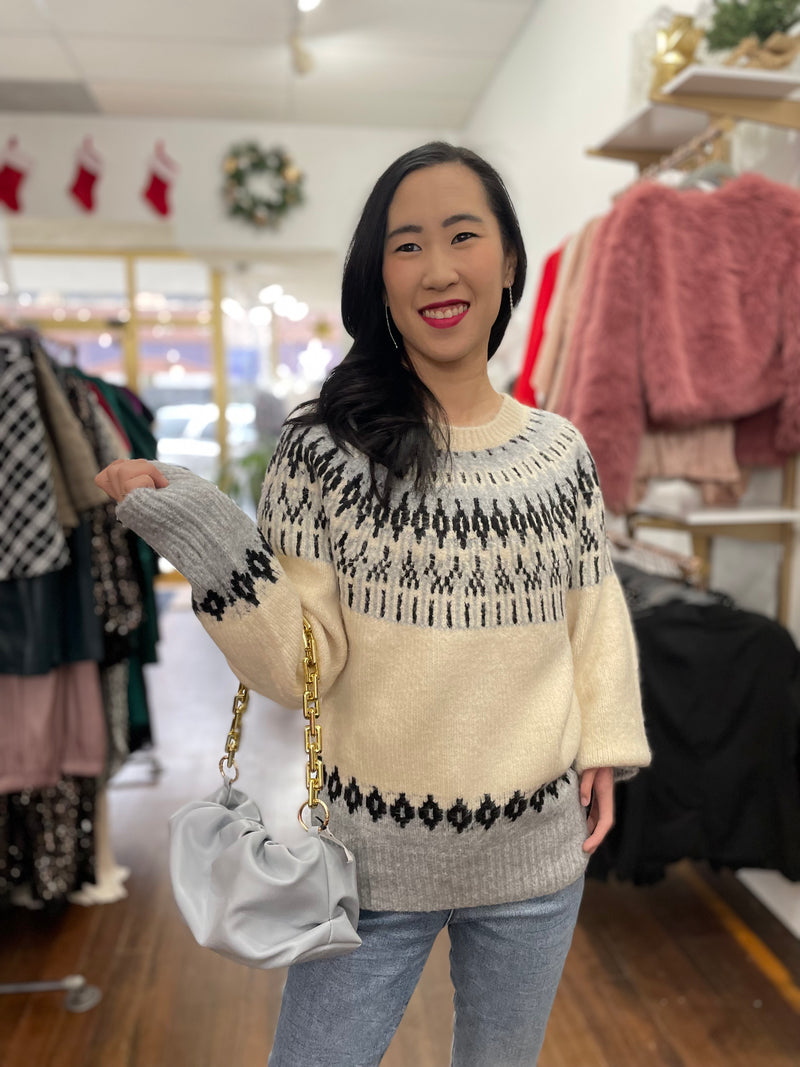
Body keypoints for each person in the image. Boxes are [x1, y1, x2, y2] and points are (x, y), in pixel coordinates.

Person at [96, 142, 651, 1066]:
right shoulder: (323, 451)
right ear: (379, 277)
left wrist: (606, 742)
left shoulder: (562, 453)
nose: (438, 269)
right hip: (369, 864)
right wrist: (209, 540)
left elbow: (592, 612)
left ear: (509, 260)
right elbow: (301, 666)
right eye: (407, 245)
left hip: (536, 854)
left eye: (463, 235)